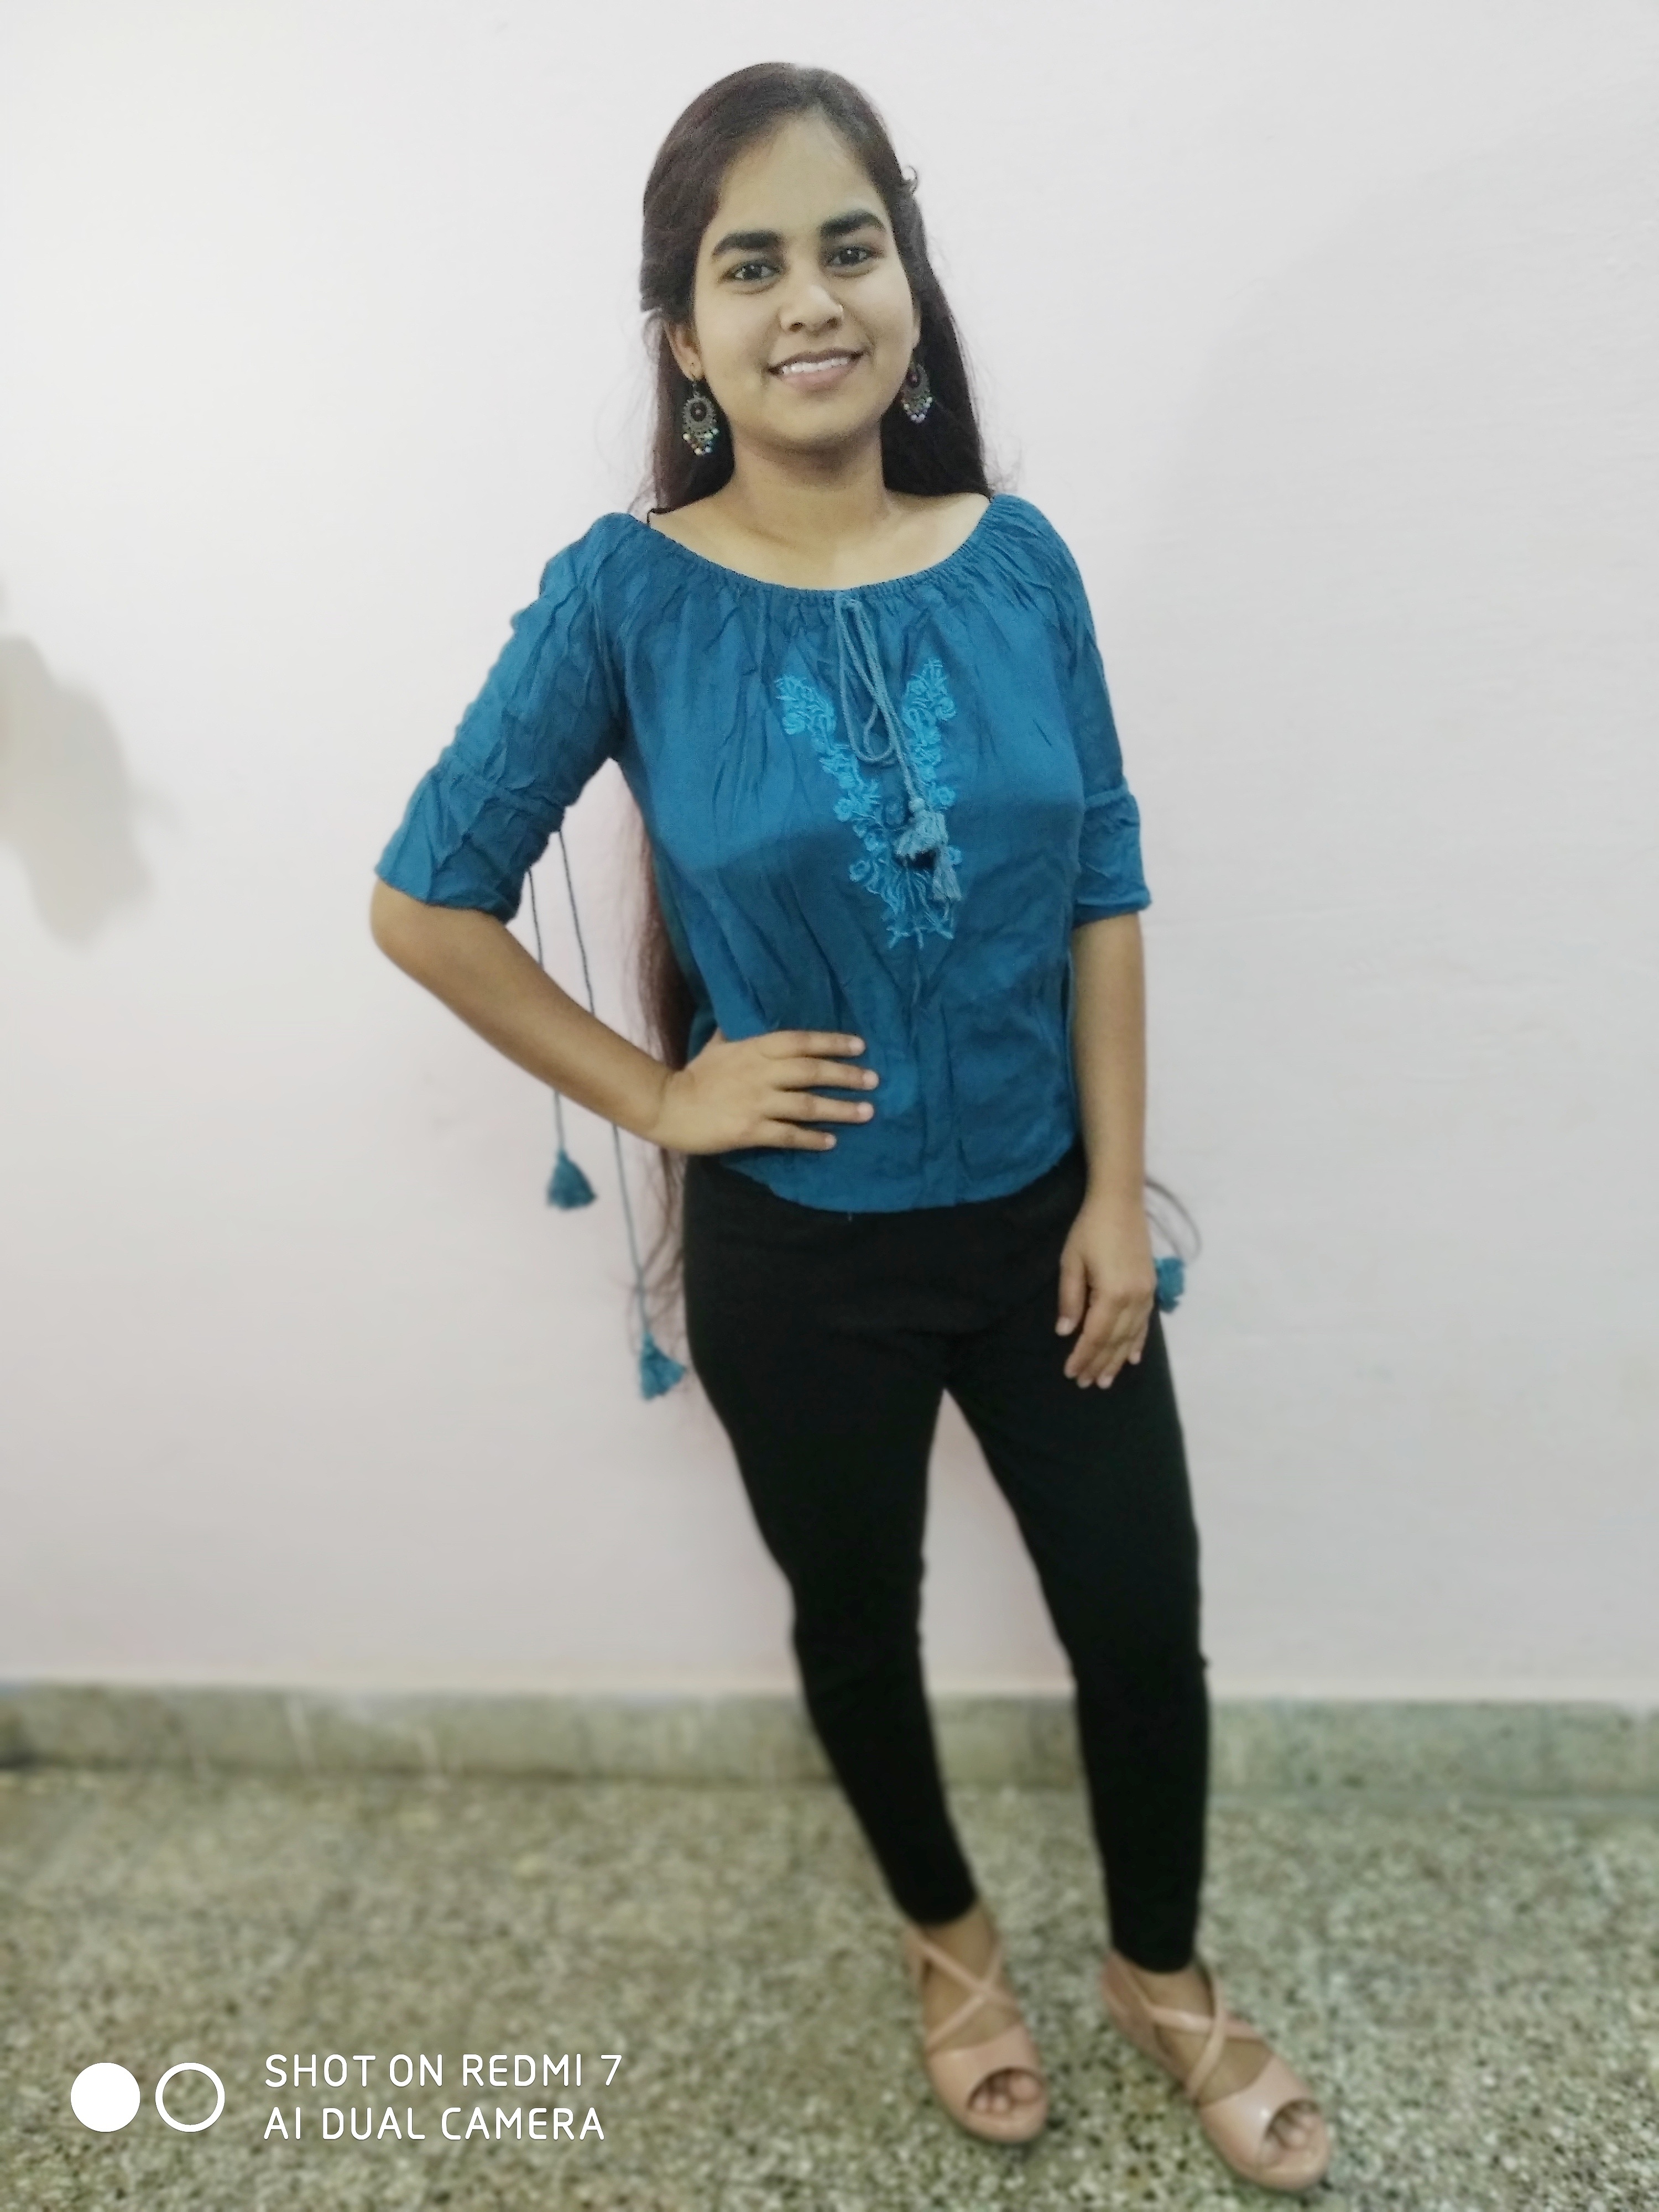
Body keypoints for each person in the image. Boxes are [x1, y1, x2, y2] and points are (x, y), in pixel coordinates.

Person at [369, 61, 1333, 2195]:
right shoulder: (629, 596)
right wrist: (659, 1095)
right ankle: (953, 1946)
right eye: (752, 265)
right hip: (795, 1257)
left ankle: (1161, 1974)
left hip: (1047, 1231)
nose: (812, 300)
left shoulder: (1021, 560)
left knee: (1141, 1620)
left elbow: (1102, 884)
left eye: (851, 246)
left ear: (909, 280)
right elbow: (424, 899)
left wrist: (1113, 1195)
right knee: (854, 1621)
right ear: (684, 338)